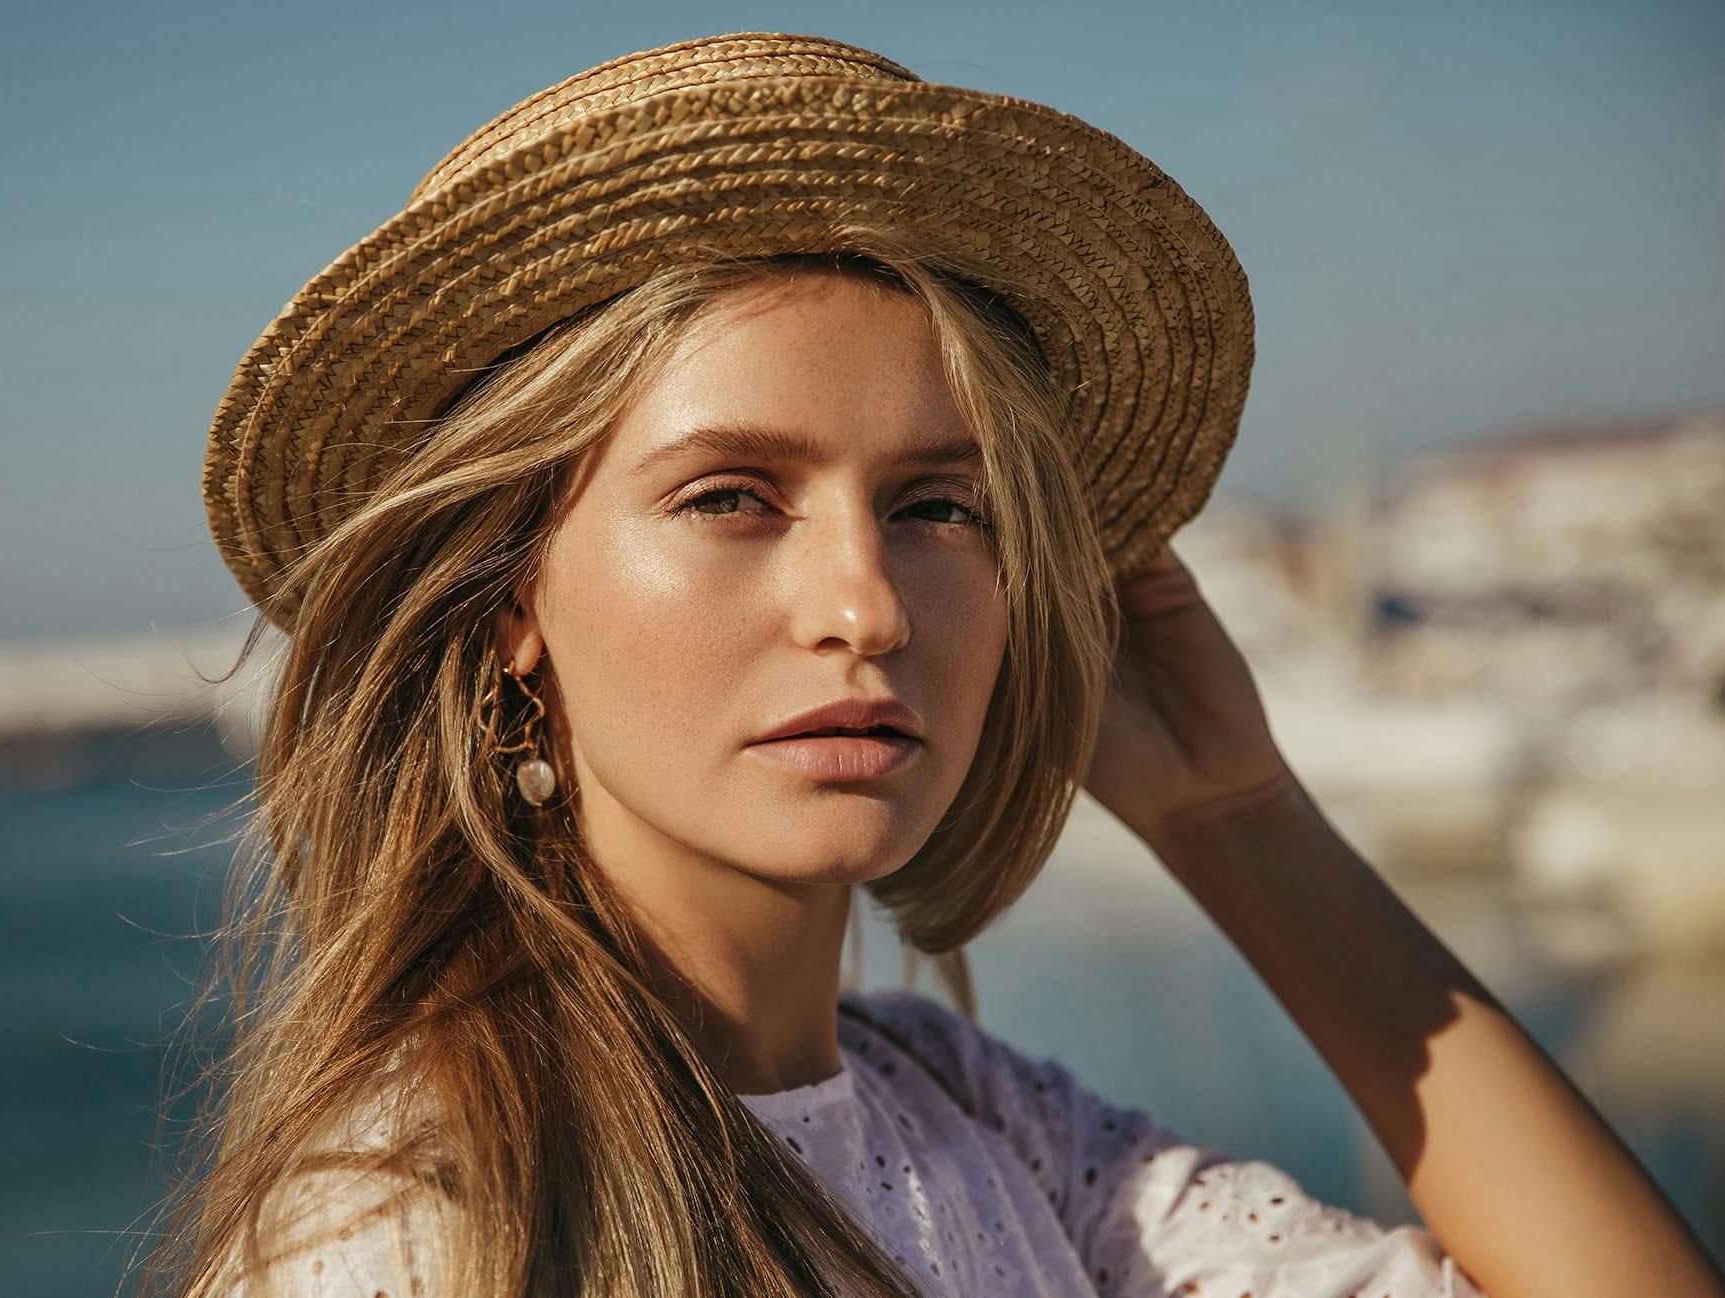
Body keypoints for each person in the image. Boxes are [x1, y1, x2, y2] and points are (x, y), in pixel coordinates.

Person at [138, 32, 1725, 1298]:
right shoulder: (416, 1226)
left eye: (934, 507)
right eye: (729, 497)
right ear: (507, 598)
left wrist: (1238, 815)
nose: (868, 603)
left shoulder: (987, 1123)